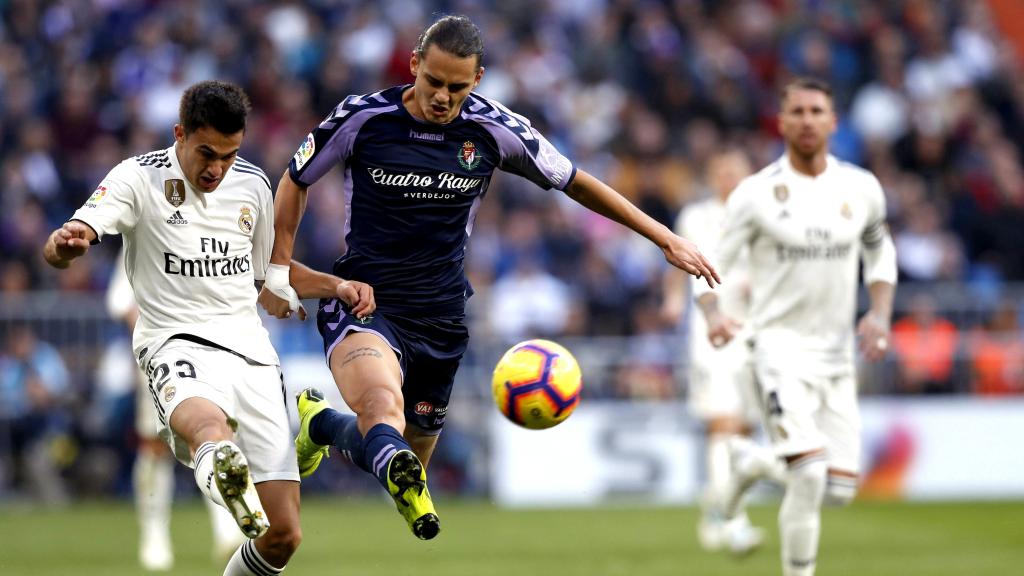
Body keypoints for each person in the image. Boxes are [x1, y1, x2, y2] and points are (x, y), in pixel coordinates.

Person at [258, 14, 719, 541]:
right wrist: (278, 270)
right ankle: (351, 425)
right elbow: (294, 180)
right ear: (414, 66)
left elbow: (576, 182)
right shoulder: (365, 118)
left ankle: (319, 425)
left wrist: (665, 238)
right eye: (433, 82)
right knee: (380, 406)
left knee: (402, 460)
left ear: (477, 80)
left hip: (441, 314)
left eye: (457, 87)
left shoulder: (496, 129)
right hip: (365, 300)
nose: (442, 97)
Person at [43, 80, 368, 575]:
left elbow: (267, 275)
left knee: (283, 535)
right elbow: (73, 235)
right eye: (206, 153)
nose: (217, 168)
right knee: (209, 431)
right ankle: (219, 467)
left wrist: (336, 285)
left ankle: (226, 479)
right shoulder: (138, 177)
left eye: (229, 154)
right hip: (175, 342)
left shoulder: (254, 185)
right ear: (180, 134)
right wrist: (67, 245)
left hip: (251, 354)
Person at [693, 78, 897, 576]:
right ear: (781, 123)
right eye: (797, 111)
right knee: (807, 472)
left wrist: (880, 313)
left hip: (836, 355)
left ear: (833, 121)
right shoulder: (755, 195)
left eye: (816, 111)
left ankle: (752, 463)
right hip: (777, 349)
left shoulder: (861, 187)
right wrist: (714, 315)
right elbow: (708, 261)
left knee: (841, 490)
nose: (807, 120)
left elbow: (880, 250)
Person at [661, 149, 779, 555]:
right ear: (711, 176)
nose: (729, 178)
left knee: (744, 429)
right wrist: (674, 299)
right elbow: (676, 260)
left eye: (736, 172)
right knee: (723, 422)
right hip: (710, 330)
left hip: (756, 332)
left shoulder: (763, 216)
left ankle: (717, 507)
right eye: (722, 171)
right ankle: (734, 522)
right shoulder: (697, 216)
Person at [107, 246, 245, 571]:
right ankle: (154, 535)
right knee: (155, 447)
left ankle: (226, 530)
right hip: (161, 359)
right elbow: (121, 301)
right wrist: (154, 341)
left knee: (216, 436)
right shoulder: (141, 232)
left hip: (208, 354)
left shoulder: (208, 233)